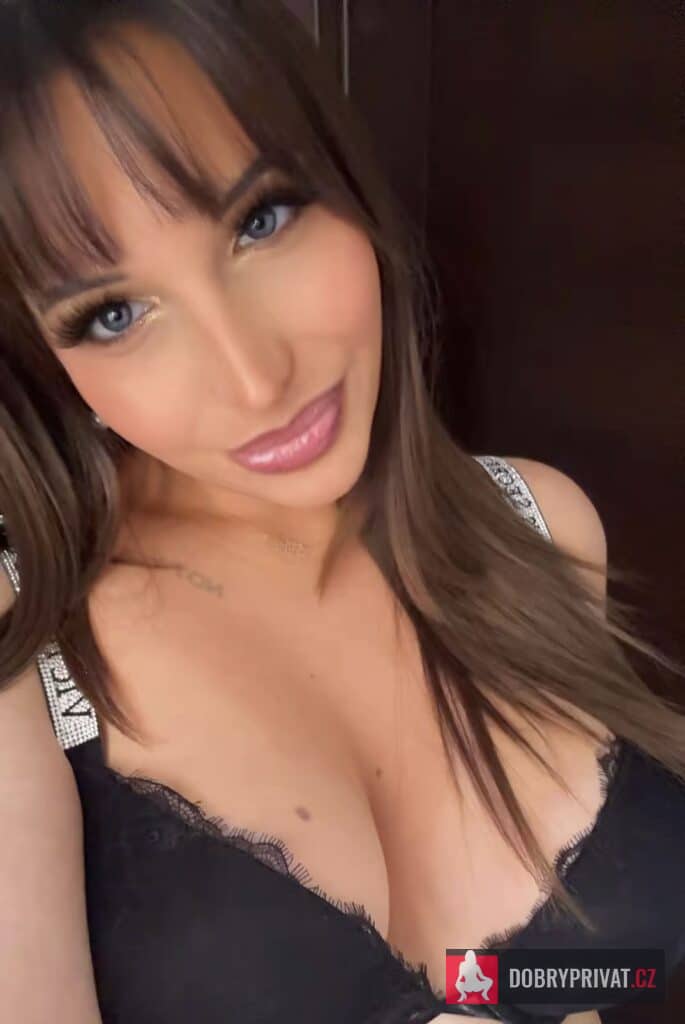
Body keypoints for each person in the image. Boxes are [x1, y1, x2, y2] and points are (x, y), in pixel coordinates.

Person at [0, 2, 683, 1022]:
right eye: (114, 314)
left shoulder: (541, 527)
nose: (254, 377)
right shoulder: (23, 656)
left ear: (345, 183)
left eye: (259, 220)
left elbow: (608, 971)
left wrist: (479, 998)